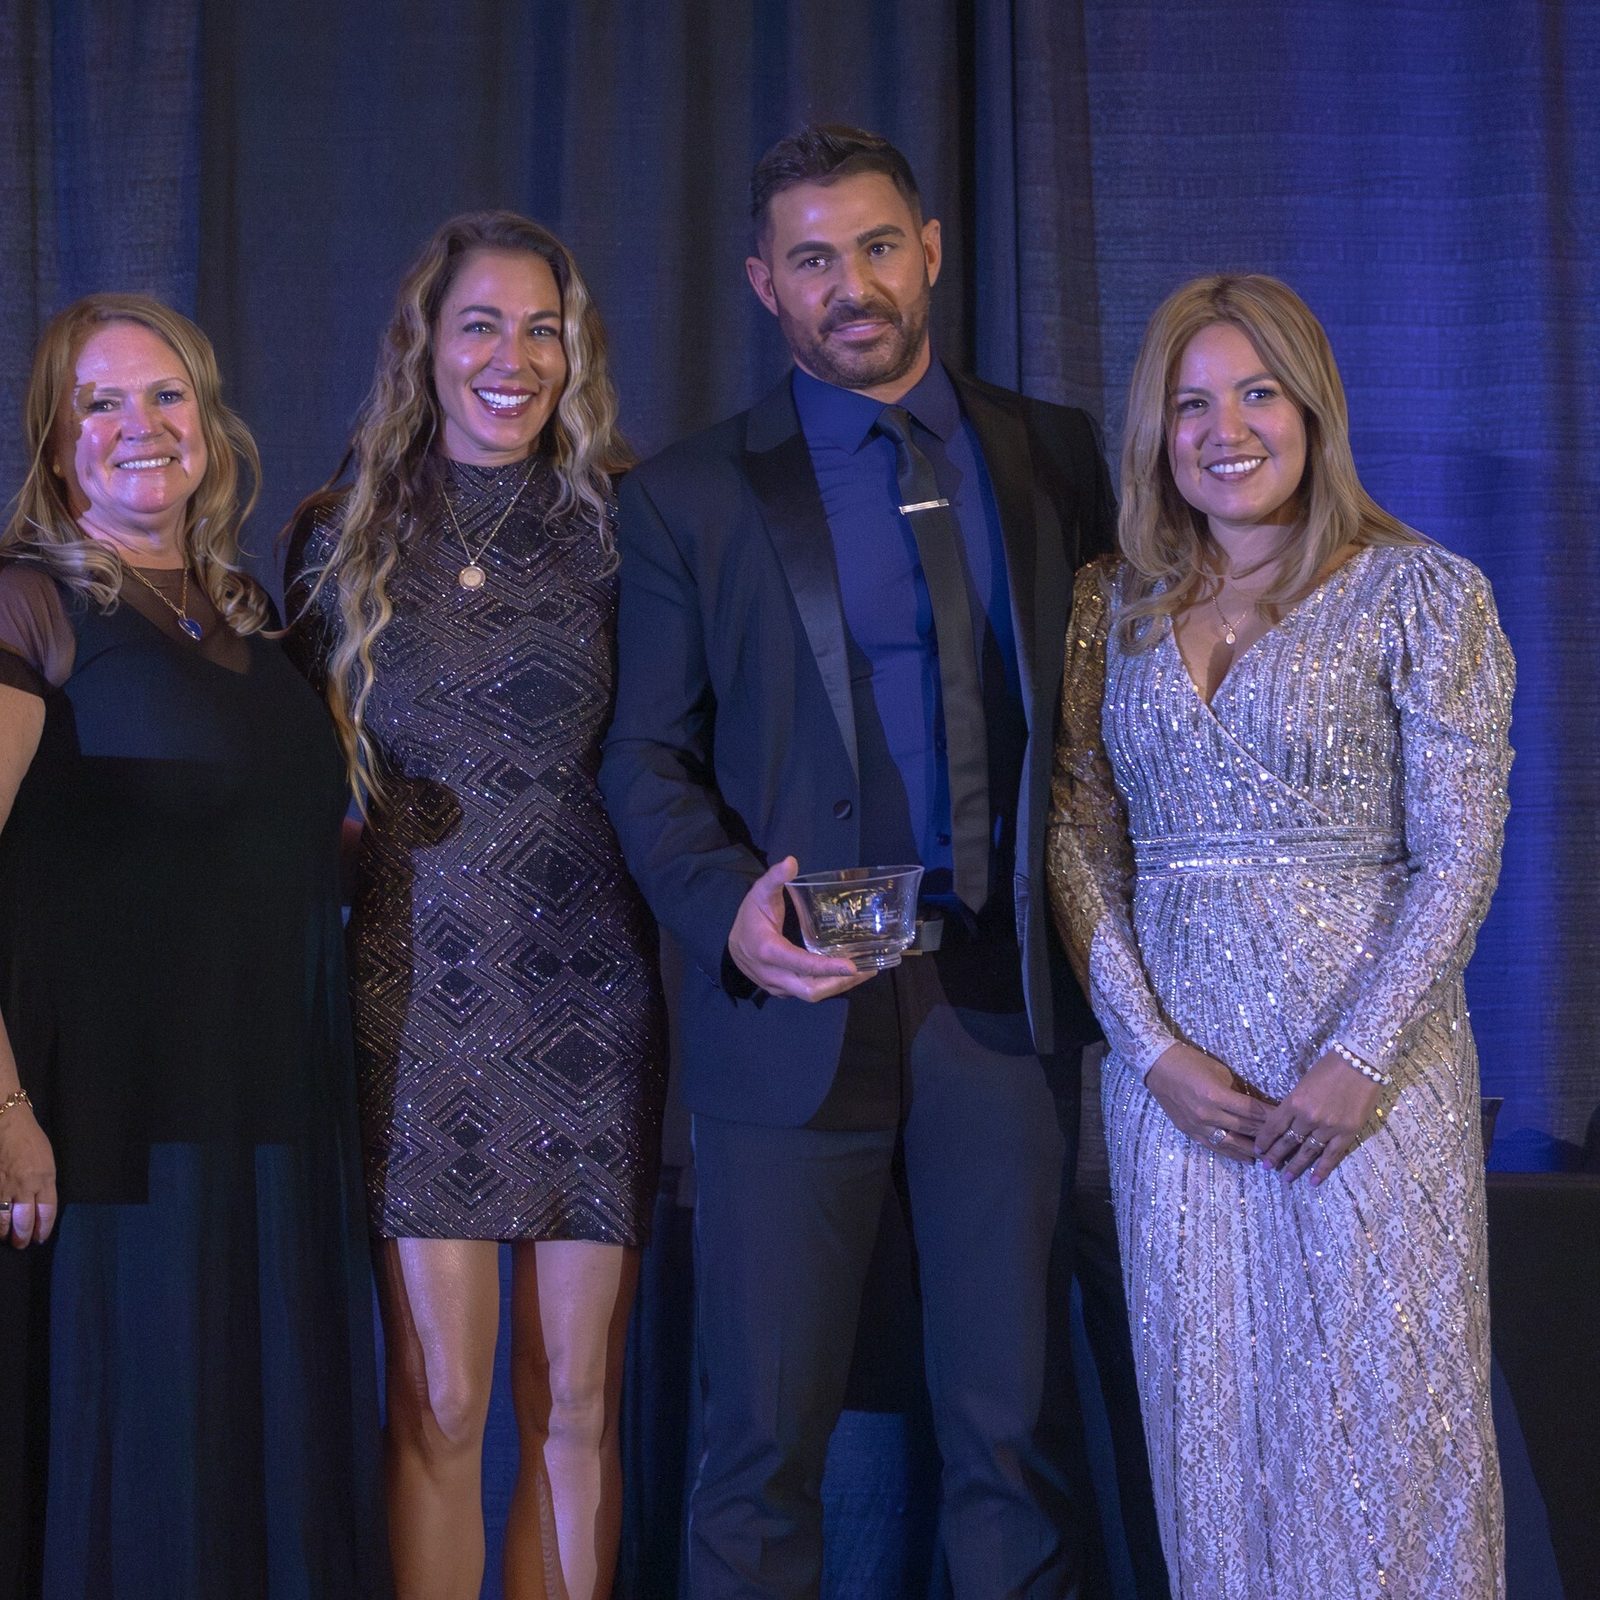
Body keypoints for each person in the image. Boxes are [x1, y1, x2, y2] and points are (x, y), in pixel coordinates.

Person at [599, 124, 1116, 1598]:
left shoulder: (1056, 456)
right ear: (764, 283)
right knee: (759, 1443)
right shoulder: (689, 497)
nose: (852, 284)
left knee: (1010, 1436)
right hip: (792, 1005)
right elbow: (642, 755)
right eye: (813, 258)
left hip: (998, 1007)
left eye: (877, 246)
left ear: (933, 248)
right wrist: (727, 918)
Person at [1046, 273, 1510, 1597]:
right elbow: (1080, 833)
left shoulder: (1423, 594)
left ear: (1314, 411)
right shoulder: (1109, 606)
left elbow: (1463, 845)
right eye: (1191, 403)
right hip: (1182, 1103)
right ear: (1157, 432)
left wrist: (1358, 1055)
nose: (1224, 427)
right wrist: (1148, 1052)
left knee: (1385, 1444)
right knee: (1214, 1441)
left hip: (1369, 1082)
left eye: (1257, 393)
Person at [285, 210, 665, 1600]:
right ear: (426, 348)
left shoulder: (632, 526)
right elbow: (283, 783)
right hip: (411, 1003)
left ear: (575, 352)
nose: (513, 357)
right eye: (481, 326)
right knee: (438, 1407)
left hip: (590, 996)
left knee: (573, 1404)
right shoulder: (337, 537)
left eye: (541, 328)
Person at [0, 294, 387, 1597]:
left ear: (210, 428)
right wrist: (4, 1111)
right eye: (98, 403)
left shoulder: (248, 619)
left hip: (279, 1121)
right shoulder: (30, 609)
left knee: (267, 1484)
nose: (138, 427)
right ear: (57, 446)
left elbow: (264, 848)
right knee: (150, 1491)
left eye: (165, 396)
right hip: (117, 1132)